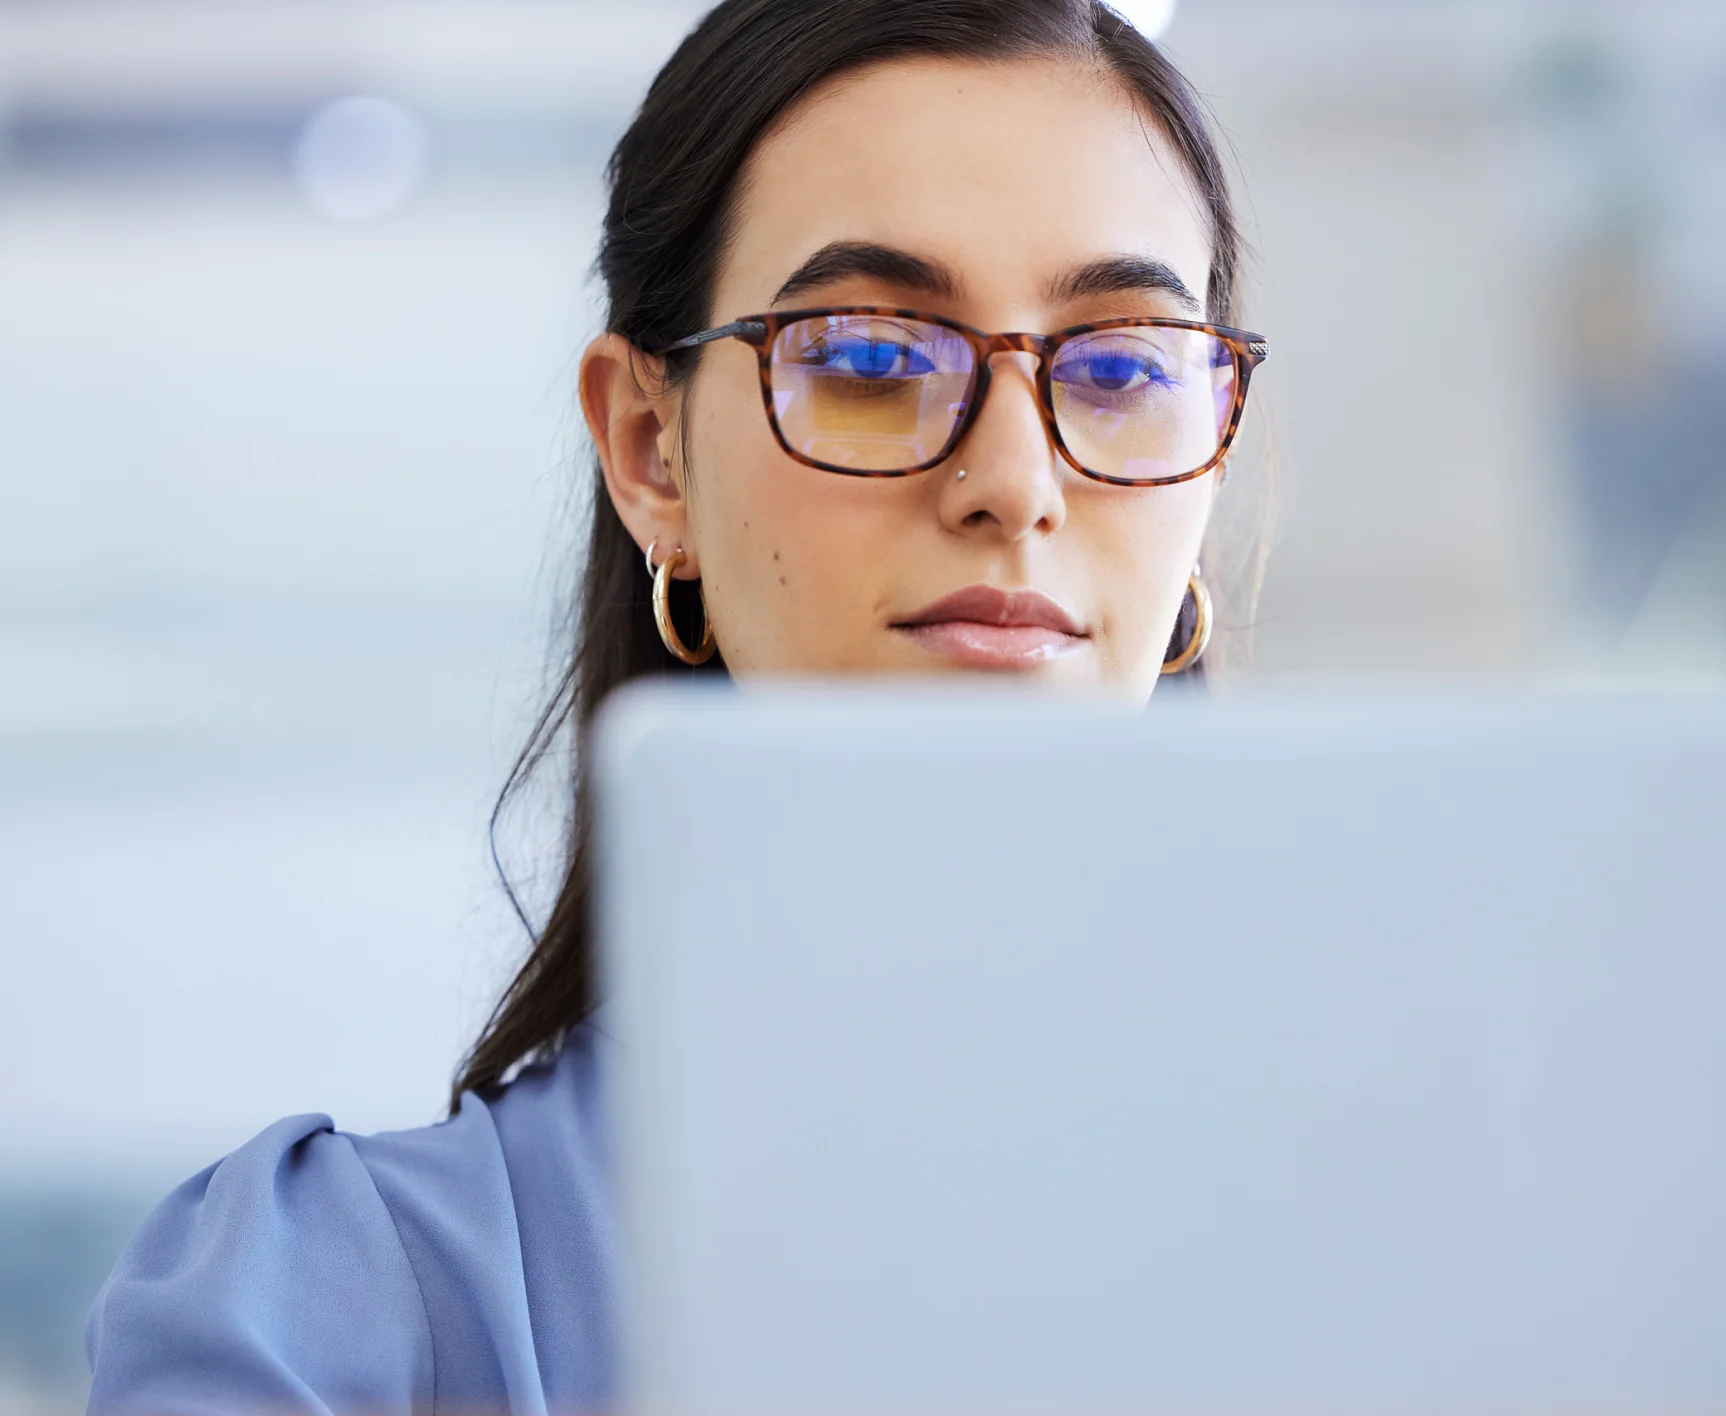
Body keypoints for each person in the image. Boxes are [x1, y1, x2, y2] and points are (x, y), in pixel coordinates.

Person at [85, 1, 1267, 1410]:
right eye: (877, 359)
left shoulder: (1411, 1226)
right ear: (652, 451)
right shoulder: (329, 1315)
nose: (1018, 481)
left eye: (1125, 366)